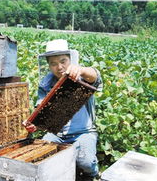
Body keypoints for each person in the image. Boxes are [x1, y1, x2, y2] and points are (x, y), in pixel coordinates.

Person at [23, 39, 103, 180]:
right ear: (48, 65)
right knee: (42, 153)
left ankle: (93, 173)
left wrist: (81, 70)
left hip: (83, 133)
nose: (59, 67)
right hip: (57, 134)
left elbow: (95, 76)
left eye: (63, 61)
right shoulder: (46, 83)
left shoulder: (83, 76)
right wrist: (34, 124)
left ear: (70, 60)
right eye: (53, 64)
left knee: (85, 161)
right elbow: (42, 112)